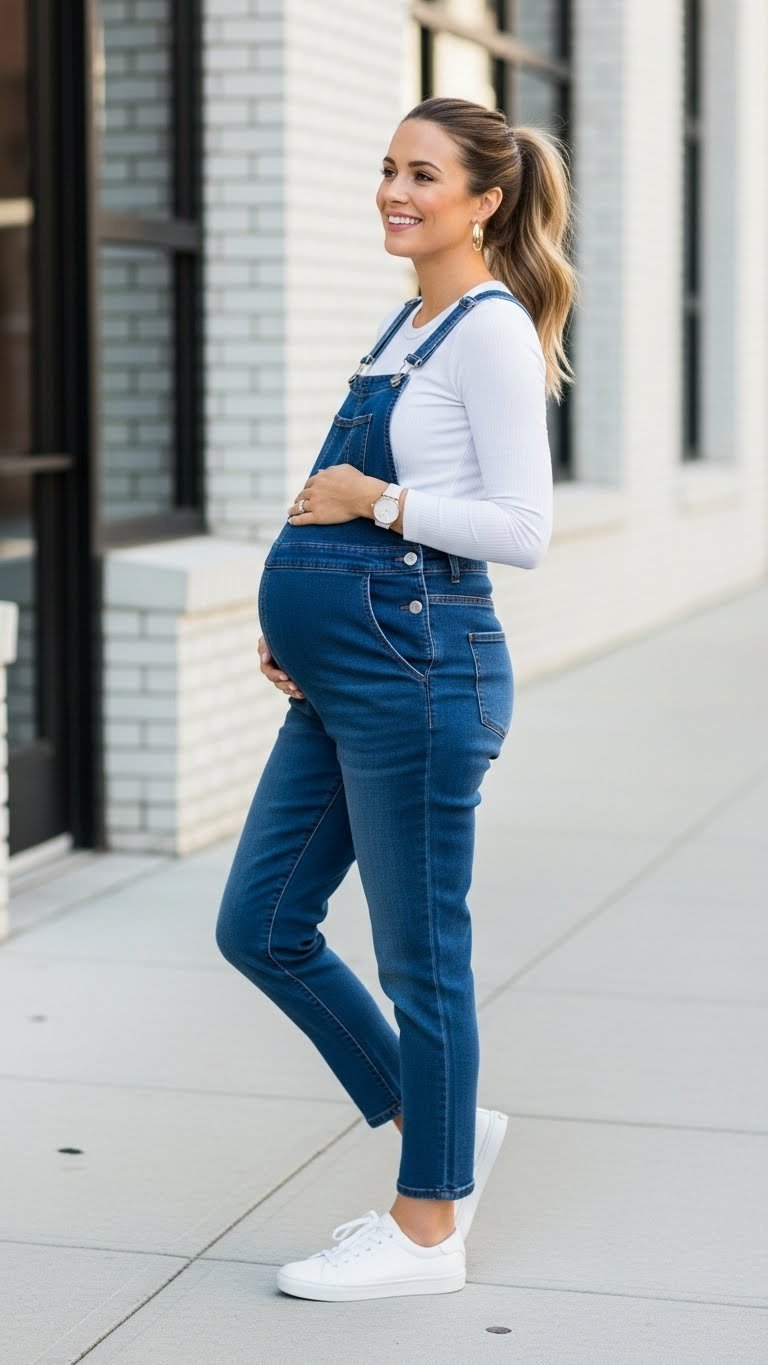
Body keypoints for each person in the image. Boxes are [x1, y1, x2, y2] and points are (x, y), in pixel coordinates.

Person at [215, 95, 577, 1302]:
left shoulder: (489, 330)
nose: (394, 192)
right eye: (386, 169)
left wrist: (374, 500)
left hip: (421, 675)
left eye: (423, 176)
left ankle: (429, 1231)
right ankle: (445, 1122)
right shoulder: (404, 322)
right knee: (259, 926)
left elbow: (520, 530)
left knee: (424, 959)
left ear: (486, 200)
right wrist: (301, 636)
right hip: (348, 675)